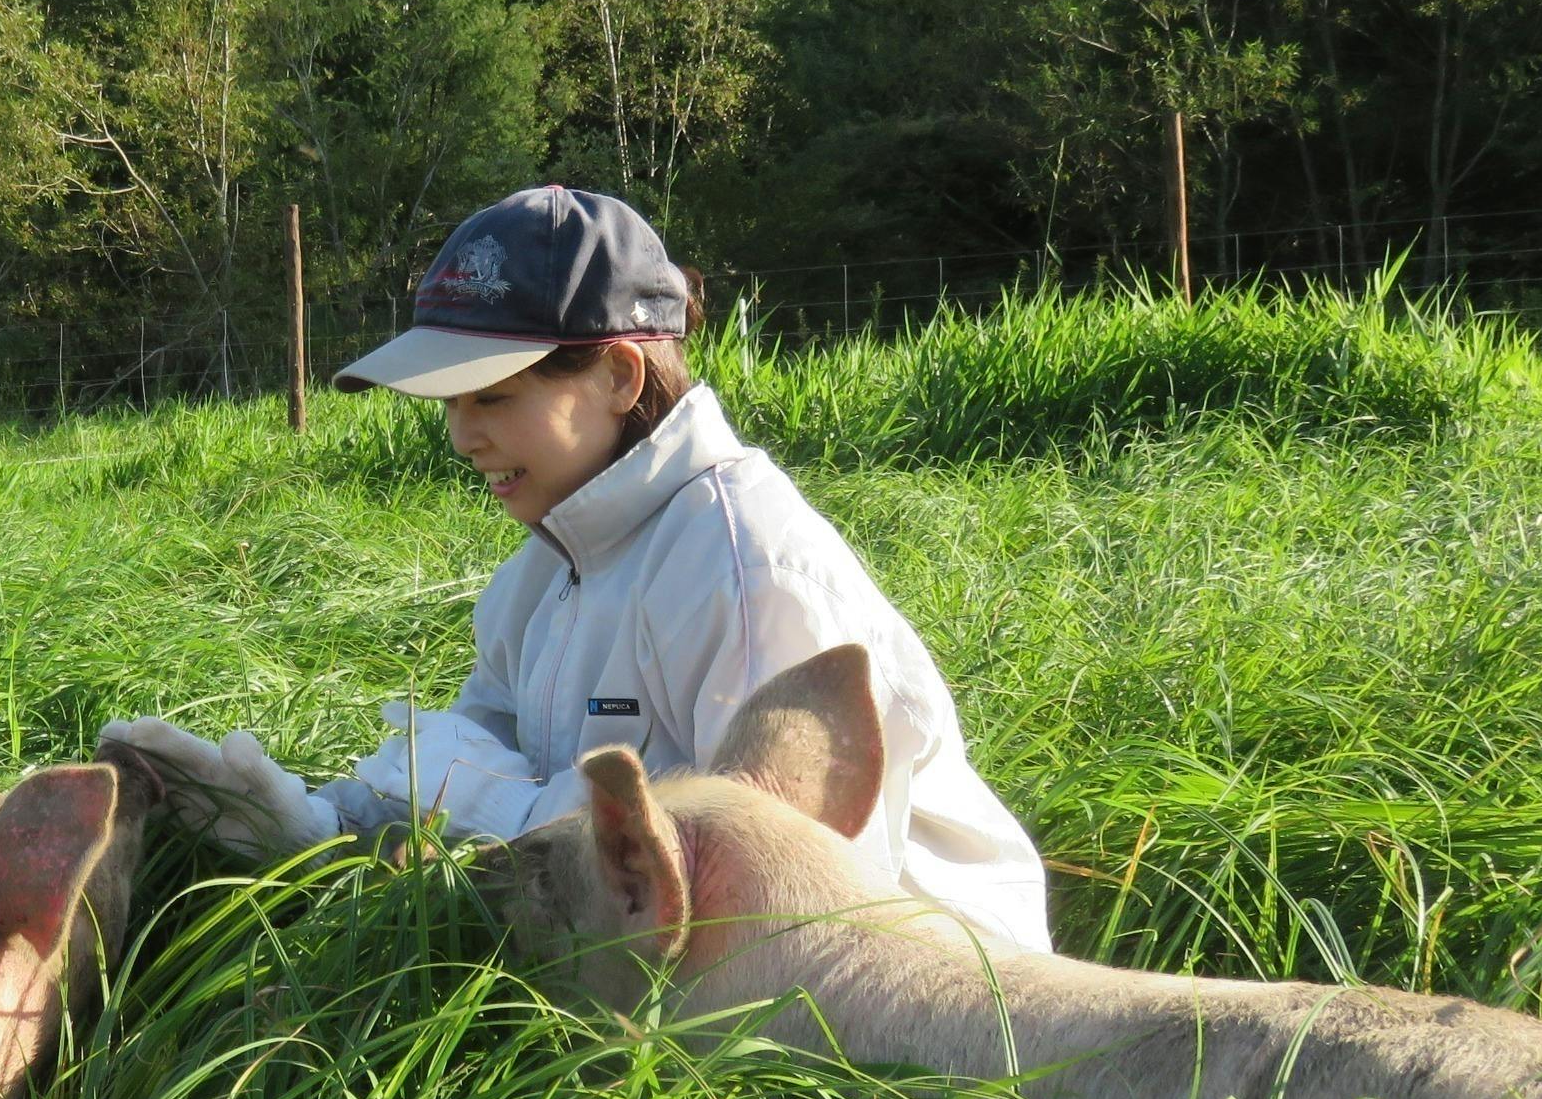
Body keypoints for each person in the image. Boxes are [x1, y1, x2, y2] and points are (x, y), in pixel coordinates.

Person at [104, 184, 1054, 956]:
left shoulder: (742, 569)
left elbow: (774, 903)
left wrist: (485, 807)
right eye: (448, 402)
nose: (463, 436)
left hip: (941, 1046)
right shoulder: (543, 573)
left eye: (495, 396)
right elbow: (457, 757)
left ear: (619, 379)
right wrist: (299, 827)